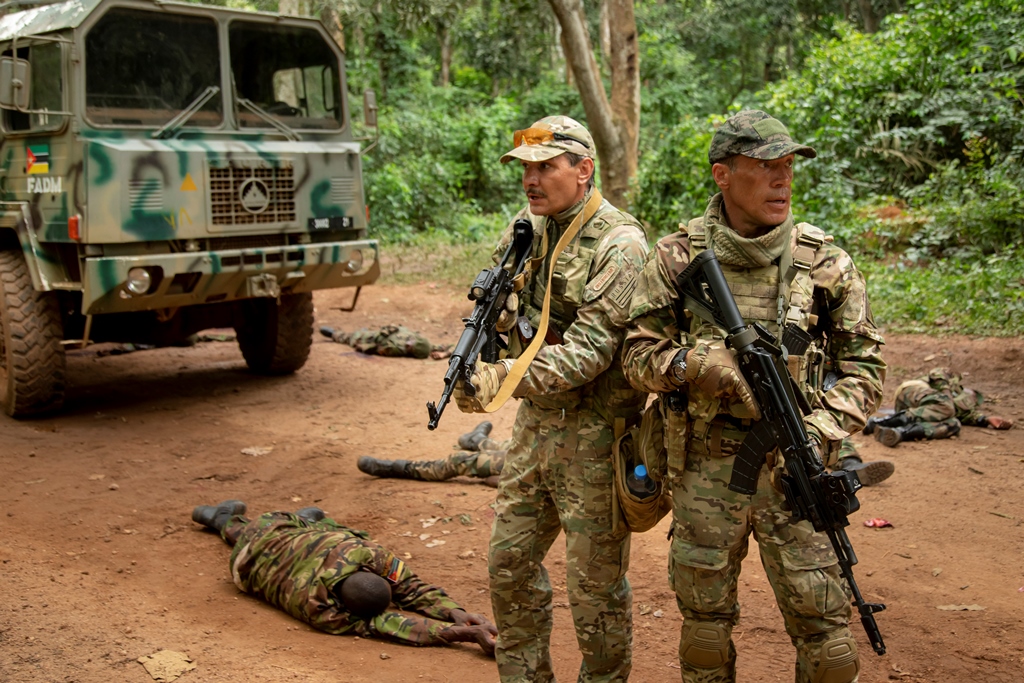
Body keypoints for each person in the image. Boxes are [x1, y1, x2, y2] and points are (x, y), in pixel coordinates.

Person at [622, 110, 886, 683]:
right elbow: (636, 357)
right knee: (705, 633)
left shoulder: (826, 264)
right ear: (722, 174)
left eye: (788, 165)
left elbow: (866, 368)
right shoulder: (674, 258)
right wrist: (693, 364)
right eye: (766, 166)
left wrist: (819, 428)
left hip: (798, 468)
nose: (782, 178)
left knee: (828, 642)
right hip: (704, 469)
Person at [453, 116, 649, 682]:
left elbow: (589, 352)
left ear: (583, 169)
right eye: (526, 169)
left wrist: (502, 378)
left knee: (594, 590)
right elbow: (493, 306)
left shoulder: (620, 243)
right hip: (536, 428)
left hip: (597, 437)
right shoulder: (526, 229)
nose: (531, 180)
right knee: (509, 564)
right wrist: (478, 353)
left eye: (545, 167)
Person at [190, 500, 497, 654]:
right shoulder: (323, 610)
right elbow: (397, 614)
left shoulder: (354, 558)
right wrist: (462, 629)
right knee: (317, 527)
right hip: (244, 566)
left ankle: (221, 519)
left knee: (284, 530)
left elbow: (405, 596)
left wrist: (459, 616)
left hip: (262, 543)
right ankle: (222, 519)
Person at [357, 421, 893, 489]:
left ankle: (478, 440)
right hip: (560, 458)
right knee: (478, 464)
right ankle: (398, 466)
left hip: (599, 461)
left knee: (493, 454)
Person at [866, 366, 1013, 446]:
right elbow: (937, 373)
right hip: (912, 392)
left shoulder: (959, 407)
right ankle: (881, 421)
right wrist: (947, 395)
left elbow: (965, 416)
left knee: (954, 424)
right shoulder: (949, 383)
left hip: (924, 411)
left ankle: (900, 432)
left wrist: (986, 420)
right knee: (947, 407)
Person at [357, 421, 509, 487]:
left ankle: (400, 468)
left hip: (523, 468)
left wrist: (509, 481)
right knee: (514, 445)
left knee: (460, 461)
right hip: (523, 452)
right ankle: (478, 441)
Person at [319, 325, 451, 360]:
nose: (408, 344)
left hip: (374, 338)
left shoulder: (397, 349)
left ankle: (334, 334)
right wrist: (444, 354)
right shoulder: (428, 346)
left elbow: (378, 349)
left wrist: (365, 348)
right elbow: (454, 346)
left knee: (352, 338)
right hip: (382, 332)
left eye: (410, 346)